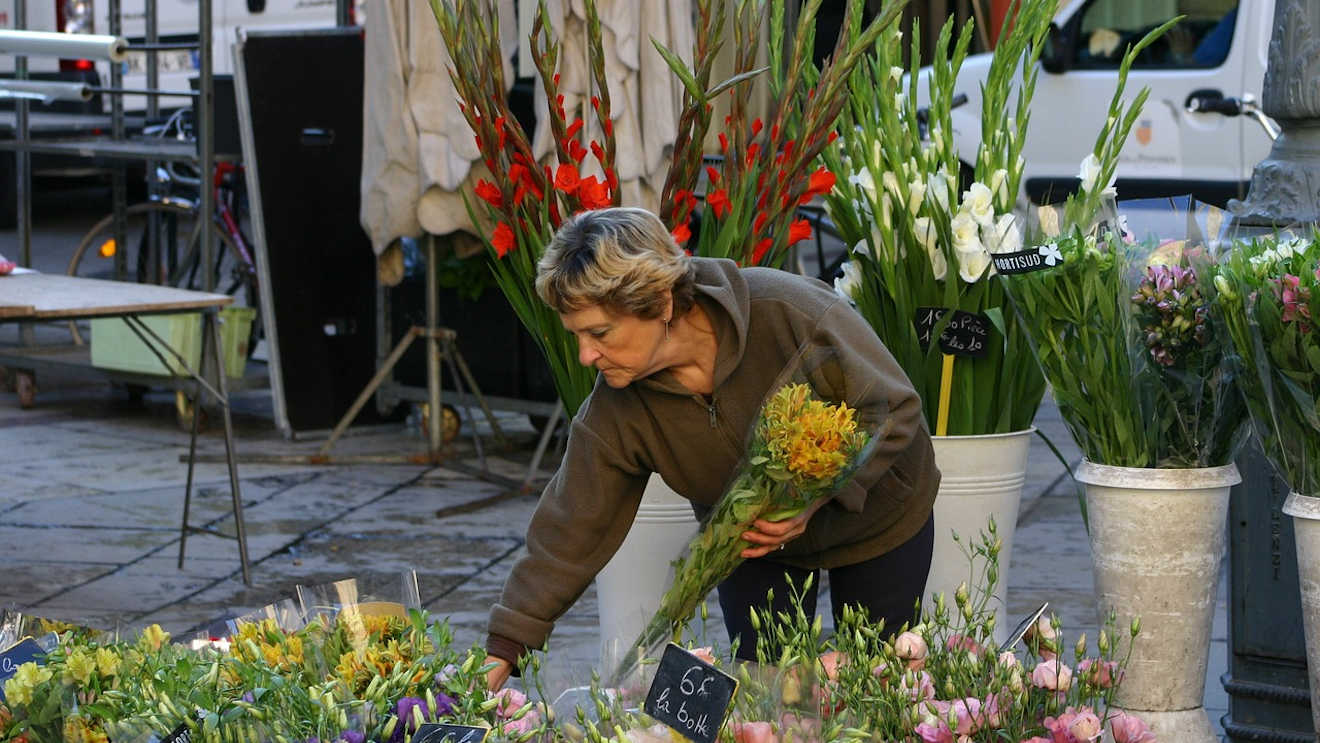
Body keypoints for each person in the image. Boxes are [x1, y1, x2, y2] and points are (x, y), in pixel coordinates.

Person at [483, 207, 938, 689]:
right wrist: (500, 654)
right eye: (575, 335)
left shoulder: (788, 312)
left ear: (660, 303)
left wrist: (818, 497)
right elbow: (570, 525)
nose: (585, 356)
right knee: (770, 698)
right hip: (752, 547)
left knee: (879, 684)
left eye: (599, 333)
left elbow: (894, 408)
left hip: (879, 520)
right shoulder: (617, 407)